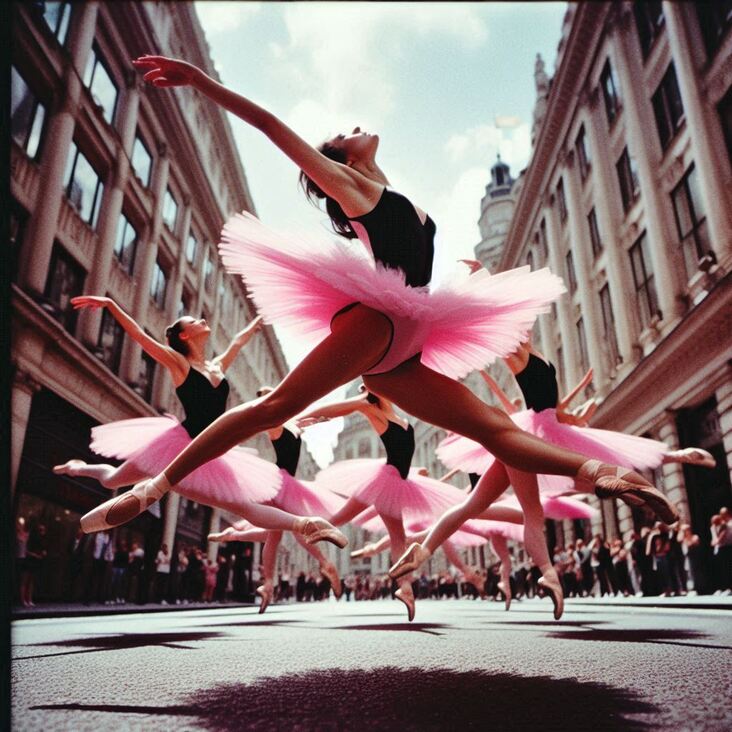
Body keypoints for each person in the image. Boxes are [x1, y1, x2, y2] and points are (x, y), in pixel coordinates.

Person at [91, 53, 666, 545]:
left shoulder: (383, 186)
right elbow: (270, 125)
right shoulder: (352, 187)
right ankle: (153, 487)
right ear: (339, 162)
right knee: (276, 409)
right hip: (387, 322)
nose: (355, 127)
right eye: (344, 134)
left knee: (495, 429)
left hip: (405, 335)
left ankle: (606, 474)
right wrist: (202, 82)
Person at [55, 298, 342, 548]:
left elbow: (237, 343)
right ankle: (79, 468)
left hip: (214, 449)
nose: (203, 320)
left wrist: (257, 321)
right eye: (195, 320)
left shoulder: (216, 367)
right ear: (183, 336)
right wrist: (110, 305)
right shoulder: (180, 364)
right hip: (177, 445)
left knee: (243, 506)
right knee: (113, 479)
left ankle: (307, 524)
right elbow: (141, 337)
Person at [208, 387, 345, 613]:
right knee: (284, 531)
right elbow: (258, 424)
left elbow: (308, 420)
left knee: (274, 535)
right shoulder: (274, 424)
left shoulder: (292, 424)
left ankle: (267, 582)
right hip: (281, 483)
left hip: (287, 485)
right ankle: (321, 564)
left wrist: (322, 418)